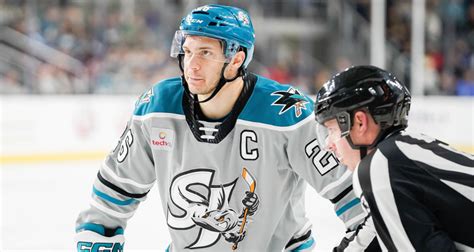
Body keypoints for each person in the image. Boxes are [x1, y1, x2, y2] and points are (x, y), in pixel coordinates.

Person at [75, 5, 378, 251]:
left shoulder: (287, 115)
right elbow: (108, 205)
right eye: (188, 51)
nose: (191, 64)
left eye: (205, 53)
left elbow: (358, 203)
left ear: (236, 60)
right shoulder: (156, 109)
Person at [313, 65, 474, 251]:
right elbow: (368, 239)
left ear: (359, 122)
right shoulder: (404, 153)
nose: (328, 144)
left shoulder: (380, 167)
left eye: (332, 130)